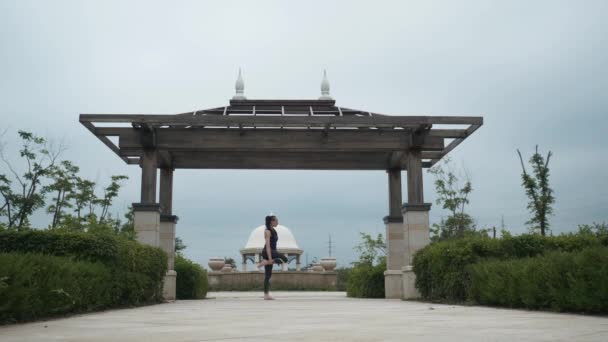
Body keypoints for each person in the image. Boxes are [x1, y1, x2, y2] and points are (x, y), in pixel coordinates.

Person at [257, 215, 288, 300]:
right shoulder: (267, 231)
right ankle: (266, 262)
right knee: (285, 259)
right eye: (276, 220)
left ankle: (266, 295)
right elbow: (267, 245)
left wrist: (271, 259)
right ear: (272, 221)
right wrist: (270, 258)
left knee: (268, 275)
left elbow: (274, 244)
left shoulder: (274, 230)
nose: (278, 222)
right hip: (268, 251)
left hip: (272, 251)